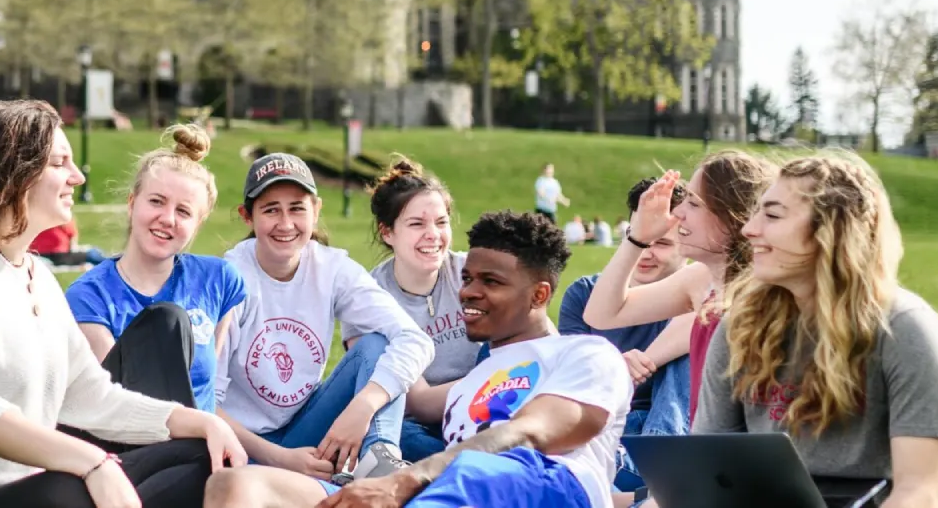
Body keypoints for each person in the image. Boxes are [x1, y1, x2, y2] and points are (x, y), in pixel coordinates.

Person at [0, 100, 246, 508]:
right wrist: (95, 462)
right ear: (13, 173)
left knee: (203, 454)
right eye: (61, 163)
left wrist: (197, 421)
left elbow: (89, 395)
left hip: (23, 493)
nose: (77, 177)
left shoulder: (38, 276)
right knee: (70, 490)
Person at [206, 210, 630, 508]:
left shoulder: (586, 353)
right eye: (466, 279)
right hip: (434, 486)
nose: (467, 292)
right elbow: (408, 385)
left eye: (490, 281)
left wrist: (403, 480)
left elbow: (531, 434)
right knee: (236, 487)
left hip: (535, 484)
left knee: (467, 477)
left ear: (539, 294)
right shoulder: (468, 385)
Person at [665, 152, 938, 507]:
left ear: (833, 230)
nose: (749, 229)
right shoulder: (739, 327)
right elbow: (711, 472)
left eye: (772, 215)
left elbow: (919, 493)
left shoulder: (906, 329)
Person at [217, 152, 436, 482]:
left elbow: (414, 340)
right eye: (271, 209)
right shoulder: (231, 279)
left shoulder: (332, 269)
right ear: (247, 216)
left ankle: (379, 462)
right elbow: (201, 399)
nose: (286, 223)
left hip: (307, 427)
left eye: (297, 208)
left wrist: (362, 406)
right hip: (241, 446)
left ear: (316, 210)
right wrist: (280, 458)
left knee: (376, 346)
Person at [64, 123, 248, 415]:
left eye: (184, 211)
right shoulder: (89, 296)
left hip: (201, 448)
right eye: (156, 202)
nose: (168, 218)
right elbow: (117, 403)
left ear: (197, 224)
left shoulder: (219, 280)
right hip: (132, 447)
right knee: (168, 320)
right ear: (132, 204)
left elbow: (204, 390)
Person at [581, 150, 776, 421]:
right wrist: (638, 237)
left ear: (734, 215)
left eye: (694, 204)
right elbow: (601, 314)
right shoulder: (699, 279)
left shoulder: (771, 288)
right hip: (709, 446)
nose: (678, 212)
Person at [559, 178, 693, 495]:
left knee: (691, 348)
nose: (646, 253)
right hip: (602, 423)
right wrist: (612, 366)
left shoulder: (698, 296)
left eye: (661, 243)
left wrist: (645, 361)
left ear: (686, 245)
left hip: (667, 432)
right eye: (638, 239)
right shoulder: (585, 294)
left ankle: (654, 477)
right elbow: (569, 380)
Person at [363, 156, 475, 463]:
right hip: (419, 425)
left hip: (484, 413)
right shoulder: (369, 296)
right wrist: (495, 383)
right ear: (387, 232)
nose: (433, 235)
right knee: (397, 437)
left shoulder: (471, 272)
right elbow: (421, 403)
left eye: (441, 222)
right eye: (416, 224)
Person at [31, 222, 107, 270]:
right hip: (60, 255)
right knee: (92, 253)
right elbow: (72, 235)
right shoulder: (60, 217)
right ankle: (111, 264)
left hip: (40, 254)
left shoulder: (35, 217)